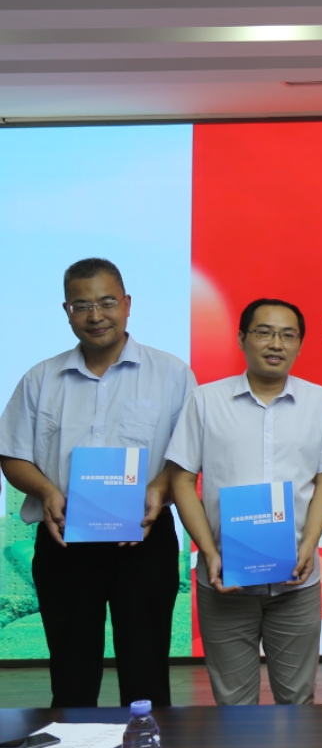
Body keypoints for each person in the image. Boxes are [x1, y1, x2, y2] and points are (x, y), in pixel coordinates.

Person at [0, 258, 195, 709]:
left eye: (106, 303)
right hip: (64, 540)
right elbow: (12, 455)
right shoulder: (41, 379)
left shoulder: (171, 374)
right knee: (71, 676)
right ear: (66, 311)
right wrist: (47, 492)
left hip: (144, 540)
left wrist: (159, 488)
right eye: (82, 305)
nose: (95, 316)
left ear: (127, 304)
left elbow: (187, 455)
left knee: (146, 674)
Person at [166, 298, 322, 706]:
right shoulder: (206, 401)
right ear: (242, 338)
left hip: (296, 580)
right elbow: (182, 481)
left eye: (287, 335)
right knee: (233, 706)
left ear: (299, 343)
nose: (276, 343)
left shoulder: (321, 403)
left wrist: (309, 545)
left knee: (298, 701)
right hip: (224, 578)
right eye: (264, 332)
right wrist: (208, 552)